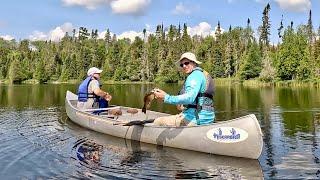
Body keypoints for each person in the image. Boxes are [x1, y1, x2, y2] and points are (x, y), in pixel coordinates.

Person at [153, 52, 215, 126]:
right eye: (182, 65)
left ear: (194, 63)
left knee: (158, 121)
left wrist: (166, 97)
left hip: (195, 119)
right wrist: (167, 96)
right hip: (208, 118)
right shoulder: (201, 74)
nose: (184, 66)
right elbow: (196, 101)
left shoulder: (194, 76)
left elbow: (189, 98)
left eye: (186, 63)